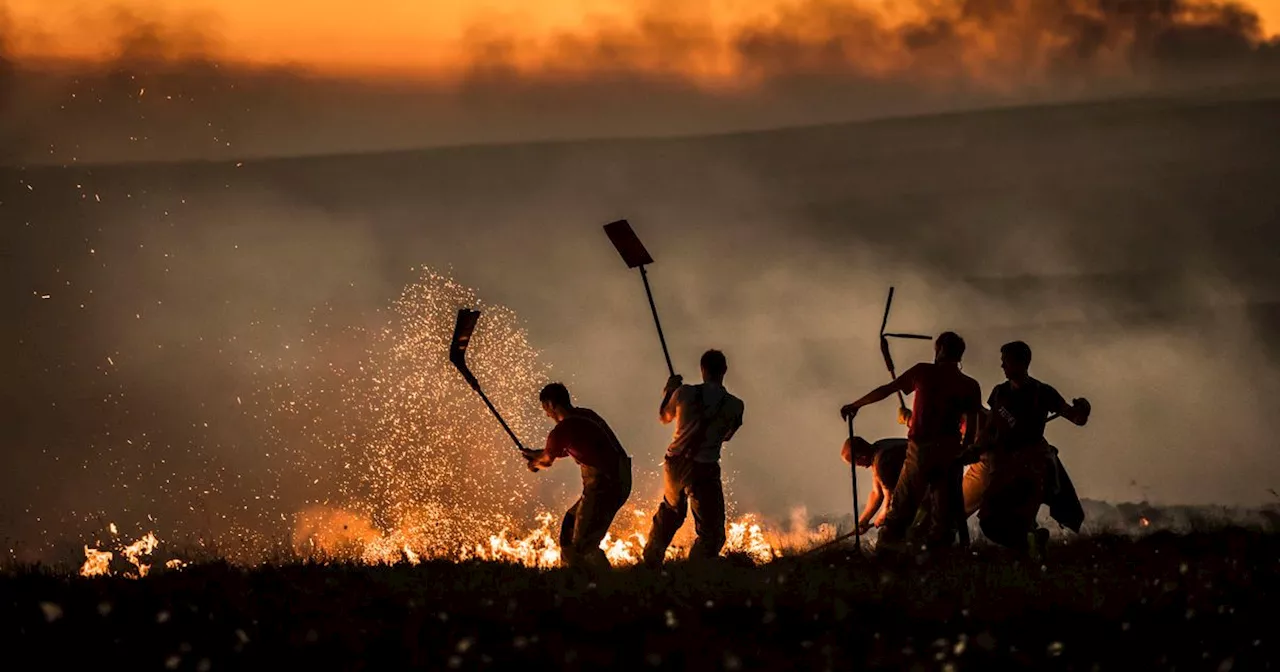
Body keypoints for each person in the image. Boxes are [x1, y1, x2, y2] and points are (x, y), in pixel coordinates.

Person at [841, 331, 982, 551]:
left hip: (921, 452)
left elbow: (887, 390)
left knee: (900, 512)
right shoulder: (970, 385)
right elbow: (971, 428)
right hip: (950, 454)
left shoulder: (924, 372)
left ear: (940, 350)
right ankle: (938, 562)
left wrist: (856, 405)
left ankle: (885, 558)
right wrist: (964, 452)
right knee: (942, 519)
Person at [962, 341, 1090, 560]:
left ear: (1021, 363)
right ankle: (1030, 543)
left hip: (1031, 465)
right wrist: (975, 448)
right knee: (988, 520)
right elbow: (990, 427)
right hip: (1002, 466)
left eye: (1006, 361)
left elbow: (1075, 418)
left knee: (1021, 514)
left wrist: (1083, 410)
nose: (1002, 366)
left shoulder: (1042, 392)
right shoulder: (1000, 392)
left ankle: (1029, 553)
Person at [642, 349, 745, 567]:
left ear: (702, 369)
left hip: (675, 463)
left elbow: (664, 417)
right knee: (711, 530)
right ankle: (699, 569)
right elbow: (727, 437)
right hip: (704, 468)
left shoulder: (684, 393)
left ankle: (650, 562)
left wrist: (669, 391)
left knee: (670, 513)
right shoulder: (735, 405)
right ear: (724, 370)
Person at [523, 382, 633, 570]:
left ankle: (604, 584)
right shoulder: (586, 415)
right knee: (570, 526)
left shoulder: (562, 430)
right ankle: (571, 573)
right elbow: (567, 448)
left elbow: (547, 460)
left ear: (550, 404)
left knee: (584, 545)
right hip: (619, 478)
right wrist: (536, 453)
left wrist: (534, 463)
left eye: (545, 408)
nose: (546, 414)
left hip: (604, 485)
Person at [842, 435, 908, 534]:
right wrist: (863, 521)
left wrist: (883, 515)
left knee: (889, 533)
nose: (857, 466)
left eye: (855, 463)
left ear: (862, 457)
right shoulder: (878, 450)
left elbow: (890, 498)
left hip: (929, 482)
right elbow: (877, 493)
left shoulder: (882, 461)